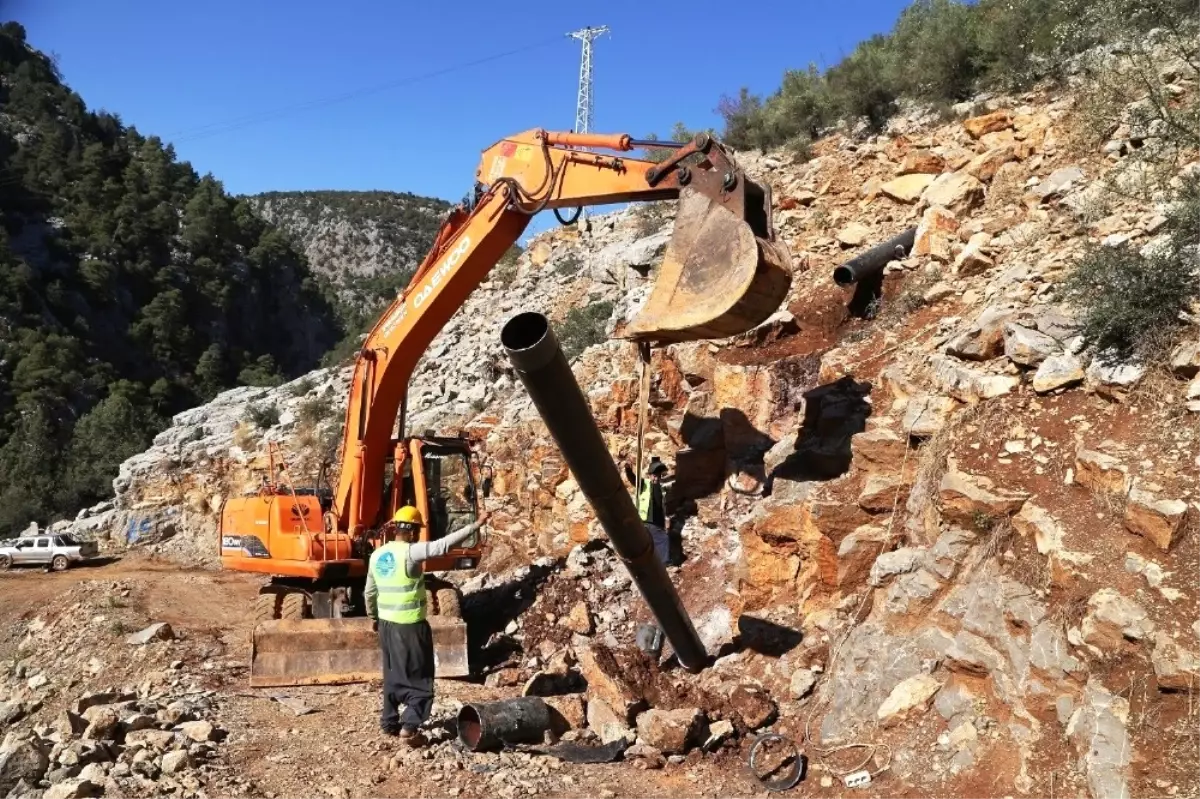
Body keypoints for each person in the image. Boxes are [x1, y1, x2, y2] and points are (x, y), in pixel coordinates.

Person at [364, 504, 488, 746]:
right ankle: (409, 726)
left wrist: (373, 618)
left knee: (392, 674)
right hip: (409, 626)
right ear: (411, 531)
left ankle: (389, 722)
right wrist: (476, 524)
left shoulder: (378, 554)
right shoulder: (410, 553)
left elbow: (369, 591)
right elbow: (443, 545)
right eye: (417, 530)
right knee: (420, 677)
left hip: (386, 625)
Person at [623, 458, 672, 659]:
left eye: (659, 474)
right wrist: (628, 469)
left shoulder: (661, 488)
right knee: (658, 542)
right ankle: (662, 562)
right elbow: (633, 480)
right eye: (654, 474)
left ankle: (663, 562)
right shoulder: (643, 485)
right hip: (645, 522)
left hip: (656, 524)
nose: (656, 477)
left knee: (662, 540)